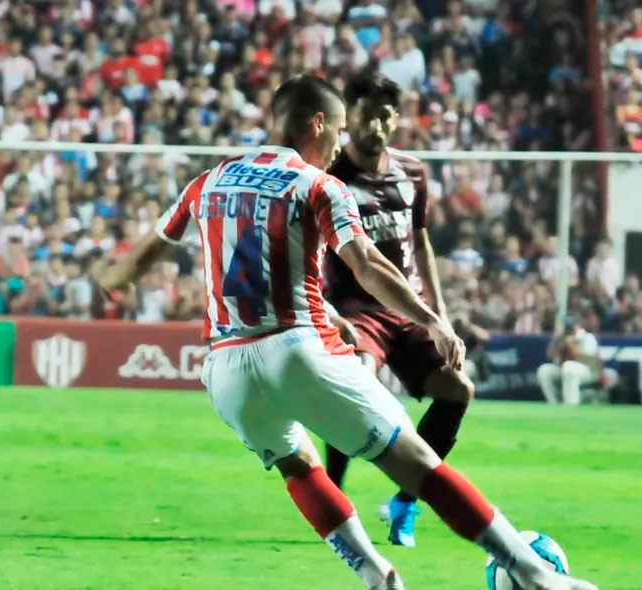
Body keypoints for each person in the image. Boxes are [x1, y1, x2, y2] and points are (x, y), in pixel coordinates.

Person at [94, 74, 597, 590]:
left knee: (300, 466)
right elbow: (367, 266)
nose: (338, 146)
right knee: (418, 465)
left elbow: (139, 259)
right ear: (318, 124)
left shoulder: (208, 181)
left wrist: (111, 283)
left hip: (226, 370)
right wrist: (431, 319)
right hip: (296, 348)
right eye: (336, 132)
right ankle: (539, 578)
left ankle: (377, 576)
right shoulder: (319, 185)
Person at [321, 70, 475, 548]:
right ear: (350, 121)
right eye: (368, 116)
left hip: (408, 308)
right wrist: (327, 310)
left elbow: (421, 241)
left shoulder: (413, 172)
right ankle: (333, 499)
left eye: (386, 116)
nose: (378, 126)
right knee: (357, 381)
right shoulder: (329, 177)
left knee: (457, 389)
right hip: (356, 309)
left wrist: (441, 314)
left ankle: (406, 502)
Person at [536, 317, 602, 405]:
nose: (569, 329)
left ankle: (570, 405)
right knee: (544, 370)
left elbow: (586, 359)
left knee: (569, 367)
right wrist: (555, 340)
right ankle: (554, 404)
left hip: (589, 371)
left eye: (571, 326)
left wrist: (571, 344)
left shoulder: (587, 337)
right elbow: (550, 355)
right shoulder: (562, 338)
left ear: (577, 326)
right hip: (564, 370)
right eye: (567, 327)